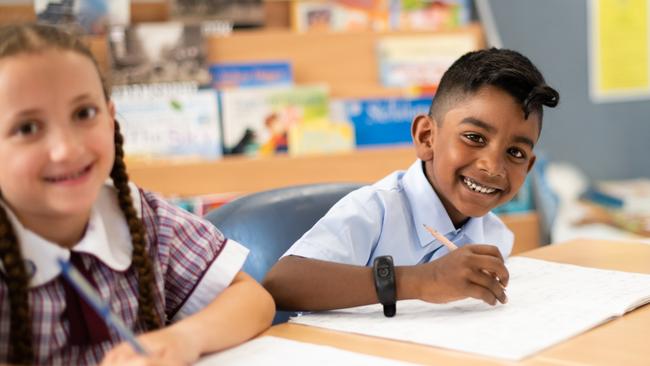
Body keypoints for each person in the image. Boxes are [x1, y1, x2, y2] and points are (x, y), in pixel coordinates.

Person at [0, 24, 274, 365]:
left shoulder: (141, 215)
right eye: (28, 128)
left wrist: (184, 338)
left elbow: (251, 298)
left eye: (83, 113)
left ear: (111, 118)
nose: (66, 149)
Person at [263, 48, 559, 313]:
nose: (493, 166)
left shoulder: (495, 236)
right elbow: (284, 282)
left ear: (529, 165)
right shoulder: (376, 210)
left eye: (515, 152)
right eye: (474, 137)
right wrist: (419, 280)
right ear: (426, 137)